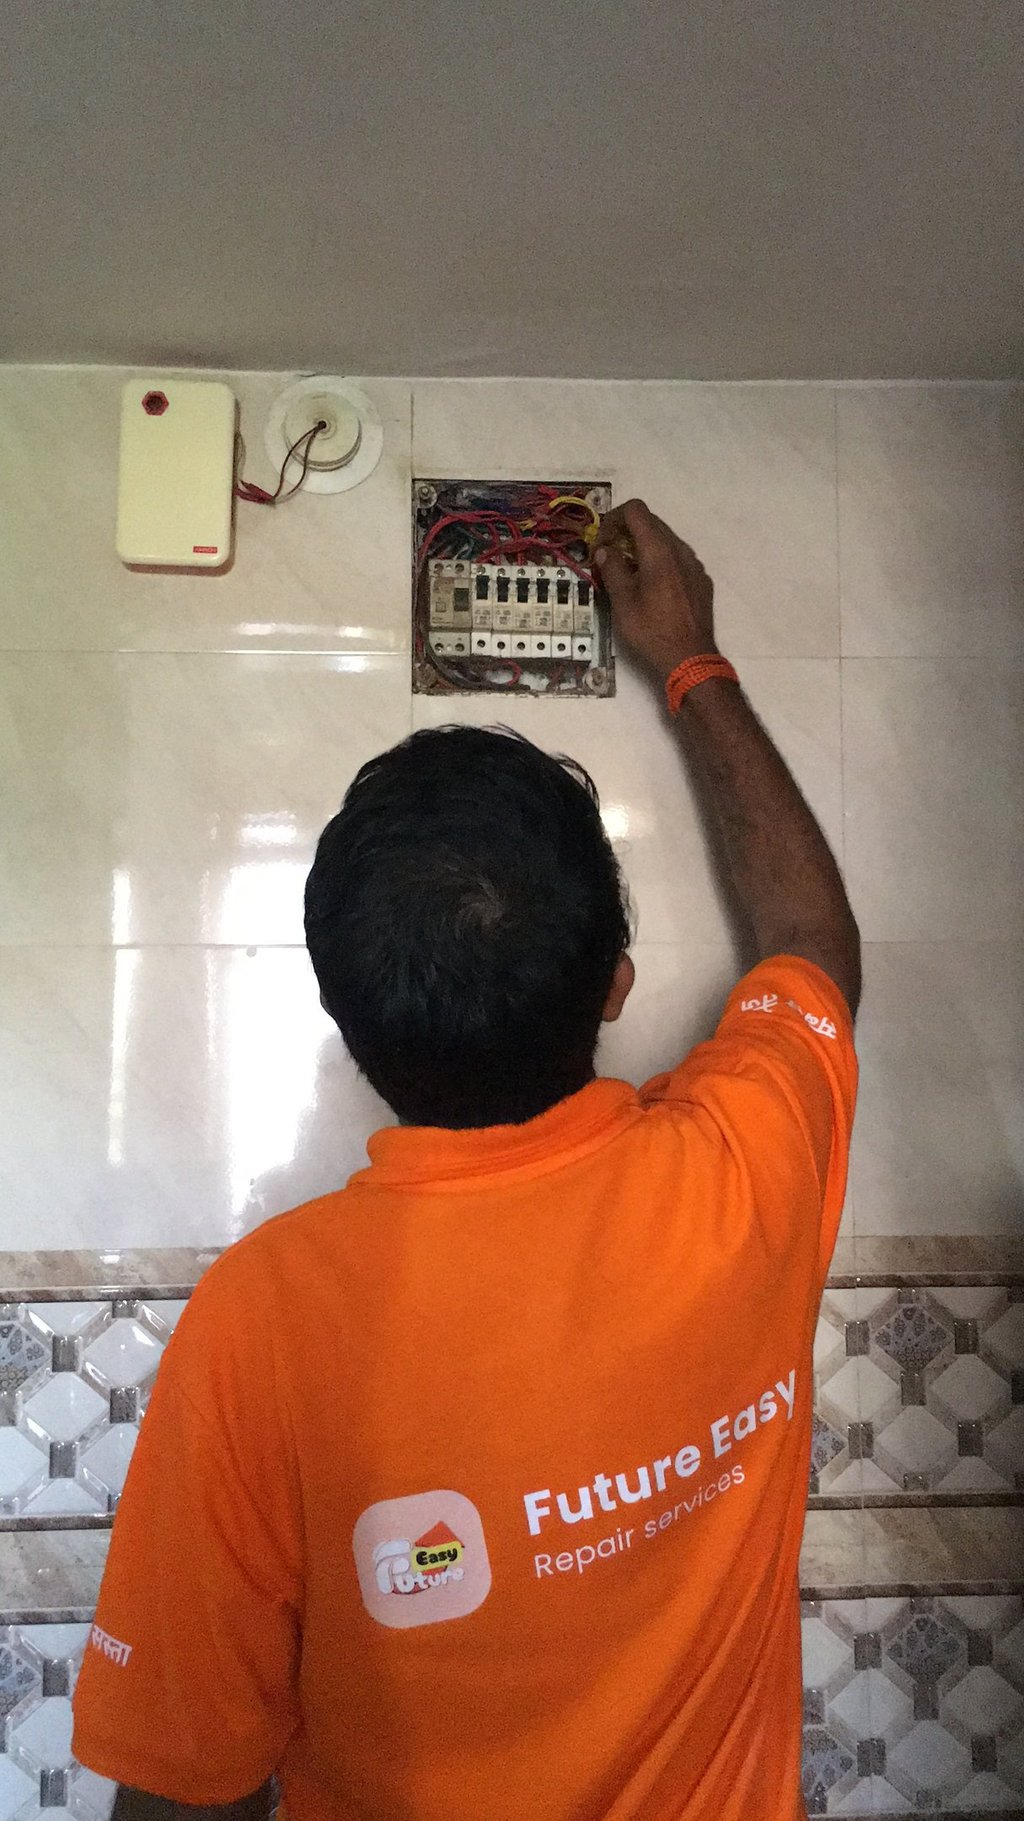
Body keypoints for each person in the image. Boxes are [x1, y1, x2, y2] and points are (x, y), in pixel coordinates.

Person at [72, 499, 860, 1821]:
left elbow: (183, 1783)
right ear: (615, 985)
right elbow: (812, 942)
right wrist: (690, 658)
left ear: (346, 1023)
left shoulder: (260, 1323)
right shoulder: (741, 1174)